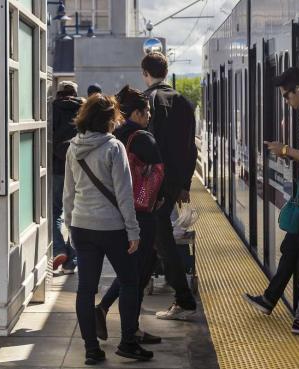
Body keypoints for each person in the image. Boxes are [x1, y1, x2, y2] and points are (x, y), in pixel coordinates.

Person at [63, 93, 153, 364]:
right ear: (108, 120)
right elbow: (124, 195)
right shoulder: (114, 147)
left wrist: (69, 226)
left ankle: (91, 349)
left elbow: (68, 194)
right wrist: (133, 231)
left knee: (86, 288)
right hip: (112, 228)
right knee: (129, 281)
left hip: (82, 225)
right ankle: (127, 342)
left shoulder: (73, 147)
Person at [243, 67, 299, 335]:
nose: (287, 102)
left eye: (287, 96)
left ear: (298, 91)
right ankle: (272, 300)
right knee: (291, 247)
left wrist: (283, 150)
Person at [93, 85, 163, 345]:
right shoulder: (143, 138)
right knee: (136, 275)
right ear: (137, 113)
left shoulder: (112, 137)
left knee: (129, 272)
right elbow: (158, 175)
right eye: (147, 112)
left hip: (116, 212)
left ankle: (124, 323)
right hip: (141, 212)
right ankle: (128, 332)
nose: (149, 117)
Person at [141, 52, 200, 320]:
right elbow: (191, 150)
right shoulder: (184, 103)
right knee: (154, 235)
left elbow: (149, 146)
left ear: (146, 73)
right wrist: (184, 184)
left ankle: (183, 299)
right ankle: (140, 286)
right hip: (175, 183)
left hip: (154, 184)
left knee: (159, 238)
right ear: (166, 71)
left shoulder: (149, 101)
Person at [52, 80, 83, 273]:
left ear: (58, 93)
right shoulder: (84, 109)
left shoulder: (52, 109)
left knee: (55, 213)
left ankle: (59, 248)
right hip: (79, 169)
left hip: (56, 168)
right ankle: (71, 261)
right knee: (76, 215)